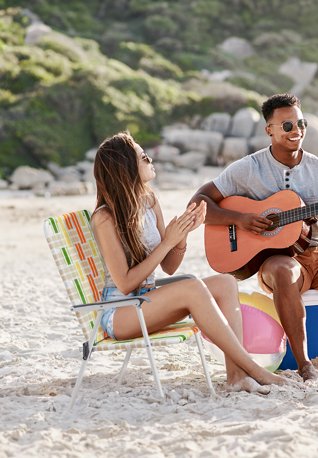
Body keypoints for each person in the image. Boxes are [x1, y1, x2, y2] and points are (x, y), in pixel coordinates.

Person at [190, 93, 318, 381]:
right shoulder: (248, 169)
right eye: (287, 126)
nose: (297, 131)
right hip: (279, 259)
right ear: (270, 130)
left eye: (301, 123)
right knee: (282, 270)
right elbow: (199, 202)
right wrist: (240, 219)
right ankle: (304, 365)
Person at [92, 131, 299, 393]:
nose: (151, 160)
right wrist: (168, 241)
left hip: (148, 301)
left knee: (225, 282)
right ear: (125, 168)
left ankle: (236, 376)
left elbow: (168, 266)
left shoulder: (149, 199)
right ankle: (253, 369)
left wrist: (182, 236)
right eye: (144, 158)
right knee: (193, 287)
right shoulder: (104, 218)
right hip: (120, 312)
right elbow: (124, 284)